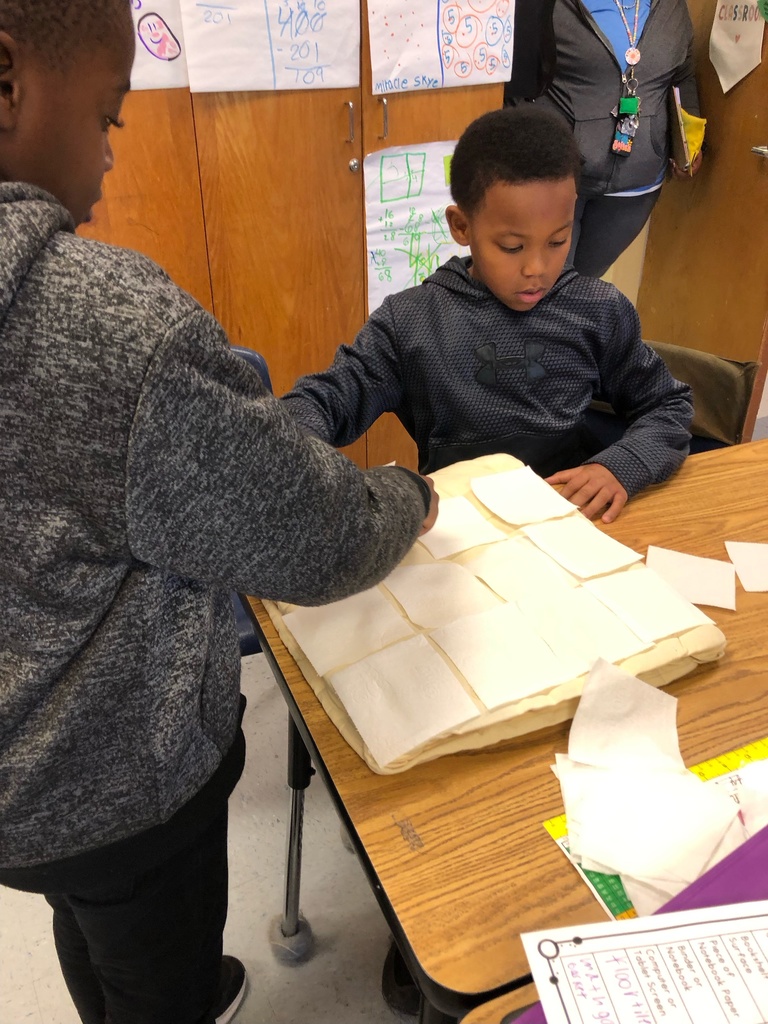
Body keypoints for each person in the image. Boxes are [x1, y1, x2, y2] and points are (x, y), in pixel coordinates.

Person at [0, 3, 437, 1023]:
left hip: (24, 794)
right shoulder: (110, 327)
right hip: (122, 785)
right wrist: (408, 495)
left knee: (86, 913)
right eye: (109, 117)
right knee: (155, 960)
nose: (110, 158)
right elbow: (311, 531)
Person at [282, 105, 693, 528]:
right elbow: (320, 403)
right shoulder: (410, 322)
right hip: (461, 535)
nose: (537, 267)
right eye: (512, 247)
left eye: (558, 241)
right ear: (462, 226)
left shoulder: (597, 310)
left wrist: (620, 465)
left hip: (572, 524)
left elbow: (669, 404)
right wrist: (321, 478)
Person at [504, 0, 703, 278]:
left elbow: (682, 74)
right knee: (541, 284)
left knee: (581, 287)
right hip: (553, 180)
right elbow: (508, 79)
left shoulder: (672, 7)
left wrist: (689, 140)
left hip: (634, 190)